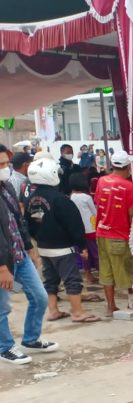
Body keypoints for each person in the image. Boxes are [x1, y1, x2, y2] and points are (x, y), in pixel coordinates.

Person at [0, 145, 58, 364]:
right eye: (1, 165)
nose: (6, 168)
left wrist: (28, 246)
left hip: (18, 254)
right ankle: (5, 347)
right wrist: (2, 267)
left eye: (6, 163)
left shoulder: (7, 187)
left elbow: (16, 220)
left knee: (40, 296)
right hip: (2, 261)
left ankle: (31, 338)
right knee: (2, 307)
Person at [24, 158, 100, 323]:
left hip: (43, 247)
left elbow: (28, 224)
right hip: (63, 248)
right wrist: (82, 246)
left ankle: (53, 310)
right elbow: (74, 225)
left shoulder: (30, 199)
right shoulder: (61, 200)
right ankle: (77, 312)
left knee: (50, 280)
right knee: (72, 279)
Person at [94, 150, 133, 316]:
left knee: (106, 270)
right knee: (127, 271)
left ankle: (111, 306)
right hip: (119, 234)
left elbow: (98, 202)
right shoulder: (128, 186)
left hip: (101, 232)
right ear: (128, 167)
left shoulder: (102, 181)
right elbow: (131, 213)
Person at [69, 172, 99, 286]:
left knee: (84, 253)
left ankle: (88, 275)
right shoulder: (86, 197)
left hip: (79, 229)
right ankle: (102, 273)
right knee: (96, 253)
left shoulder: (72, 197)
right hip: (90, 228)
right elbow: (94, 212)